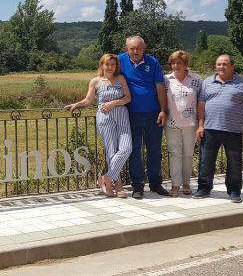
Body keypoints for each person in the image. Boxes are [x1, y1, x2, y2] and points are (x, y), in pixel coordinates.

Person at [193, 54, 243, 203]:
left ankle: (234, 191)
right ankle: (204, 188)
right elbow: (201, 105)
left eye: (224, 64)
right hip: (210, 128)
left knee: (234, 162)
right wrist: (200, 126)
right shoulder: (207, 82)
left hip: (233, 130)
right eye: (218, 64)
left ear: (232, 66)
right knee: (206, 160)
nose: (221, 67)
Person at [66, 54, 132, 198]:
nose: (110, 67)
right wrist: (77, 104)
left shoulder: (120, 79)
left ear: (116, 66)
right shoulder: (95, 81)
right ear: (101, 65)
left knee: (127, 148)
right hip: (105, 118)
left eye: (113, 64)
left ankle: (106, 178)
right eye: (107, 64)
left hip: (121, 115)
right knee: (111, 151)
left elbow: (128, 98)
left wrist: (113, 103)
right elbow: (88, 100)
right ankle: (117, 184)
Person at [118, 36, 170, 199]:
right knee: (134, 150)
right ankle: (137, 186)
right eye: (132, 48)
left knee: (154, 150)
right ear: (127, 48)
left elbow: (160, 86)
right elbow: (105, 76)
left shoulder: (152, 62)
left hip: (153, 112)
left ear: (144, 48)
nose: (135, 51)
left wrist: (163, 109)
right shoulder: (119, 60)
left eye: (138, 48)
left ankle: (155, 183)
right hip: (130, 114)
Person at [164, 51, 202, 197]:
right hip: (171, 123)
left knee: (188, 154)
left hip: (190, 123)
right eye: (173, 63)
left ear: (186, 64)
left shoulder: (197, 80)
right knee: (175, 154)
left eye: (179, 62)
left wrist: (200, 124)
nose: (175, 65)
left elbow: (201, 103)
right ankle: (175, 184)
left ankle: (186, 182)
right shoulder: (166, 80)